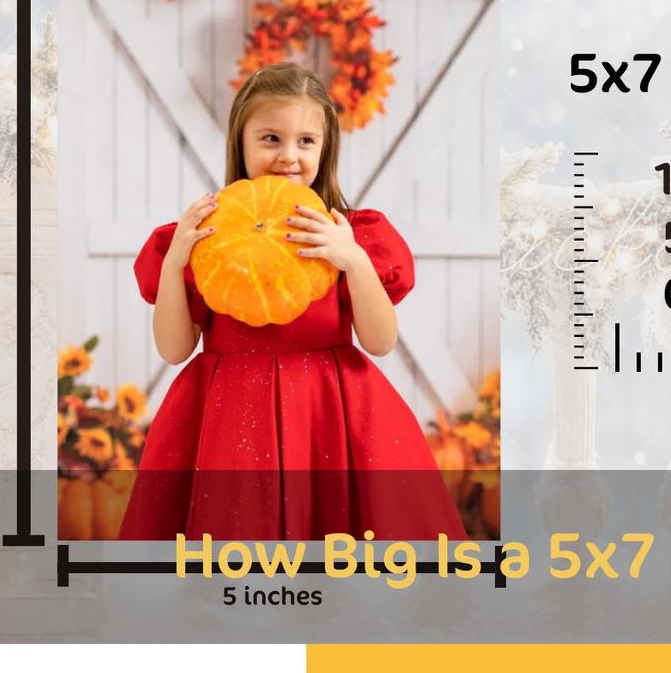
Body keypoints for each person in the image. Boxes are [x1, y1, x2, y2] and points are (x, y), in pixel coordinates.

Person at [118, 63, 466, 541]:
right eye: (270, 139)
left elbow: (381, 342)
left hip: (331, 413)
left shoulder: (349, 233)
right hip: (230, 418)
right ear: (240, 143)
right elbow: (175, 349)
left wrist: (354, 261)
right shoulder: (208, 236)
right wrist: (179, 256)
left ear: (326, 150)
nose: (289, 155)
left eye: (306, 141)